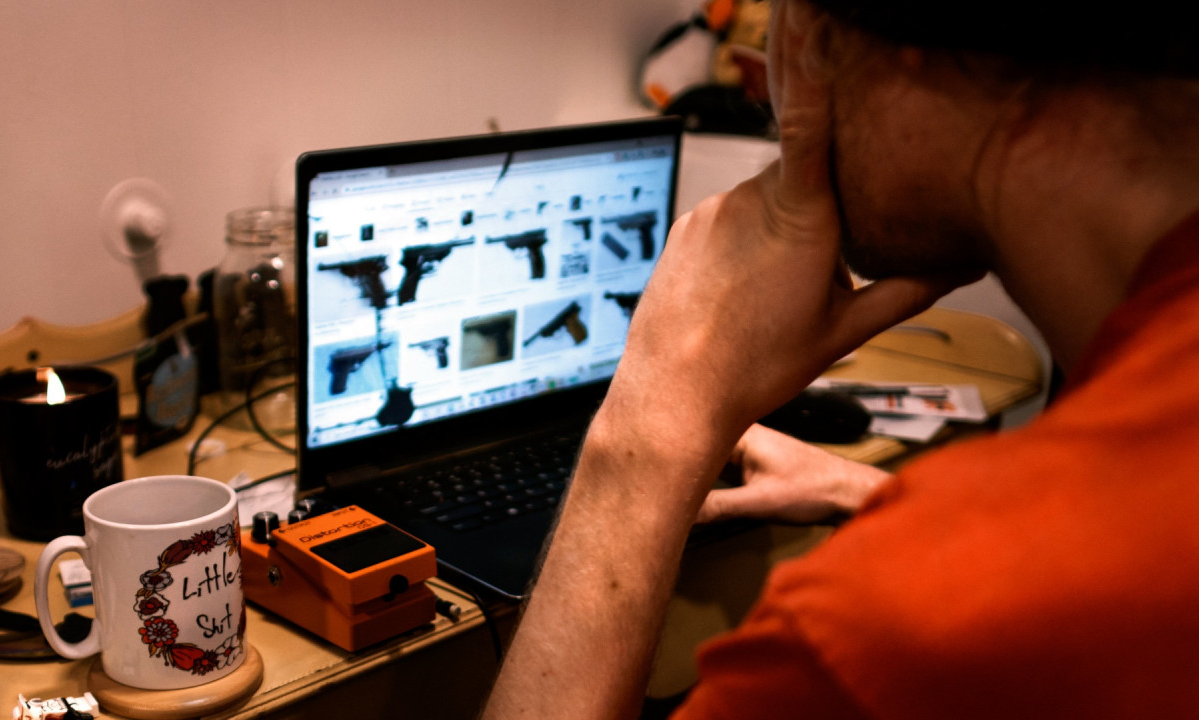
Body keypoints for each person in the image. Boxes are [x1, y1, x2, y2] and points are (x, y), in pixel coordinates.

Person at [483, 0, 1199, 717]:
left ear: (867, 44)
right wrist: (879, 499)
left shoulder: (869, 637)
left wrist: (652, 412)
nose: (773, 96)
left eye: (793, 31)